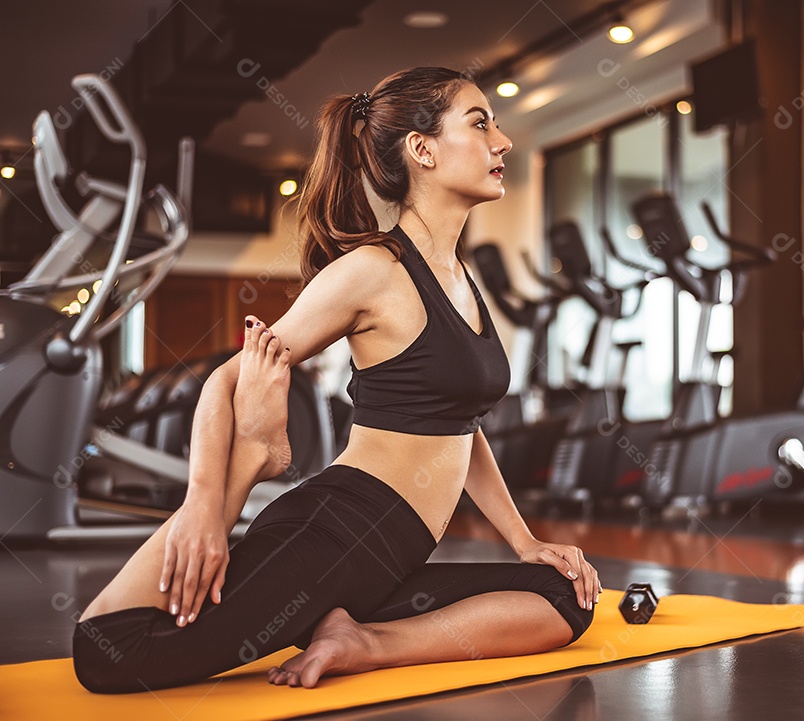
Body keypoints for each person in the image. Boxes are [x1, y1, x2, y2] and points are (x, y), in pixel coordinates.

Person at [72, 66, 600, 694]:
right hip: (339, 531)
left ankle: (364, 638)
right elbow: (224, 379)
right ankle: (259, 464)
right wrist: (203, 507)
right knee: (112, 654)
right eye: (480, 122)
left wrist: (525, 541)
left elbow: (460, 426)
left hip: (391, 554)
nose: (502, 141)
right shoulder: (372, 270)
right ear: (422, 149)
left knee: (564, 595)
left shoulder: (458, 276)